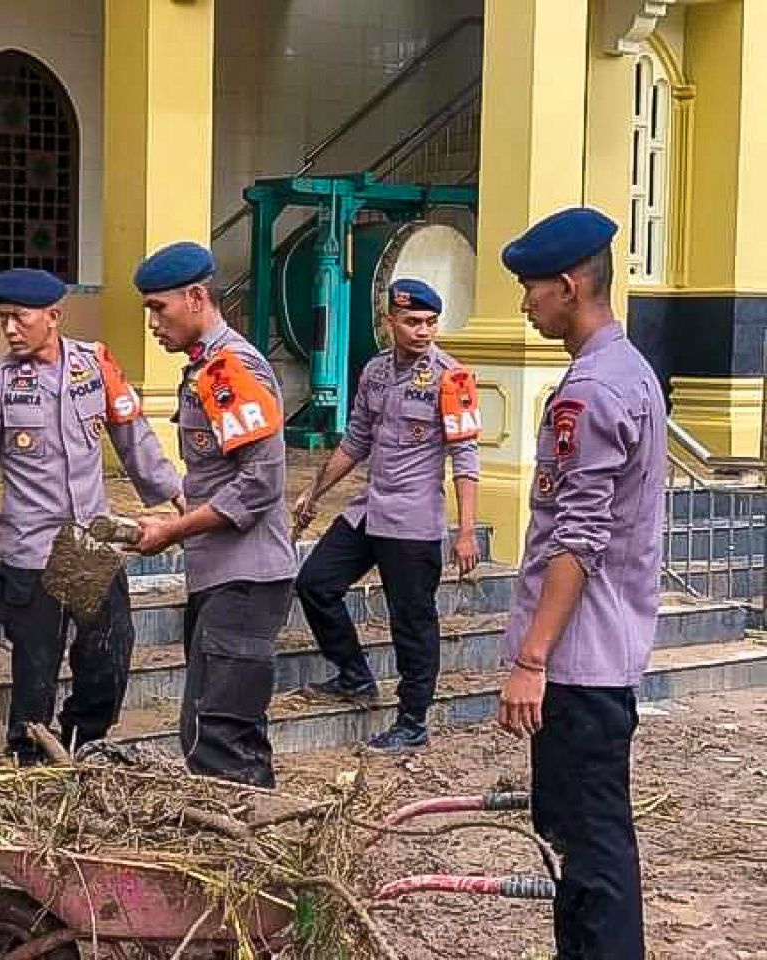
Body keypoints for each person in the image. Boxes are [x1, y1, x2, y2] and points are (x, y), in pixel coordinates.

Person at [497, 207, 665, 960]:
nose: (524, 304)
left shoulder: (591, 390)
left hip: (578, 661)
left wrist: (532, 659)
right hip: (604, 650)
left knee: (588, 853)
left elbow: (578, 539)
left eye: (531, 288)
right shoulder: (629, 370)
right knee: (586, 844)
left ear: (568, 286)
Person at [0, 268, 182, 764]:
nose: (10, 328)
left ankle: (81, 741)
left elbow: (132, 435)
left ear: (53, 316)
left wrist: (177, 496)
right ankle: (28, 759)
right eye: (3, 318)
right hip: (31, 549)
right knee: (36, 668)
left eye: (20, 317)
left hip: (87, 545)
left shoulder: (93, 365)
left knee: (109, 654)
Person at [128, 242, 297, 788]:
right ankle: (252, 830)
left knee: (217, 736)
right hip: (222, 574)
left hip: (246, 580)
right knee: (222, 729)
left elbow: (262, 482)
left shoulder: (231, 369)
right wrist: (176, 510)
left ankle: (247, 833)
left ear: (197, 298)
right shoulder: (205, 368)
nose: (153, 323)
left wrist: (174, 531)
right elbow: (217, 474)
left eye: (159, 308)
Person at [291, 278, 481, 752]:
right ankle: (354, 674)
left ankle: (412, 721)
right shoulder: (375, 371)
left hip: (413, 521)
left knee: (412, 622)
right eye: (413, 322)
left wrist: (466, 531)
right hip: (370, 509)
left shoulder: (451, 377)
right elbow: (356, 440)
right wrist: (314, 492)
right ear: (390, 320)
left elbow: (465, 457)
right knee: (315, 582)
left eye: (430, 322)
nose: (423, 331)